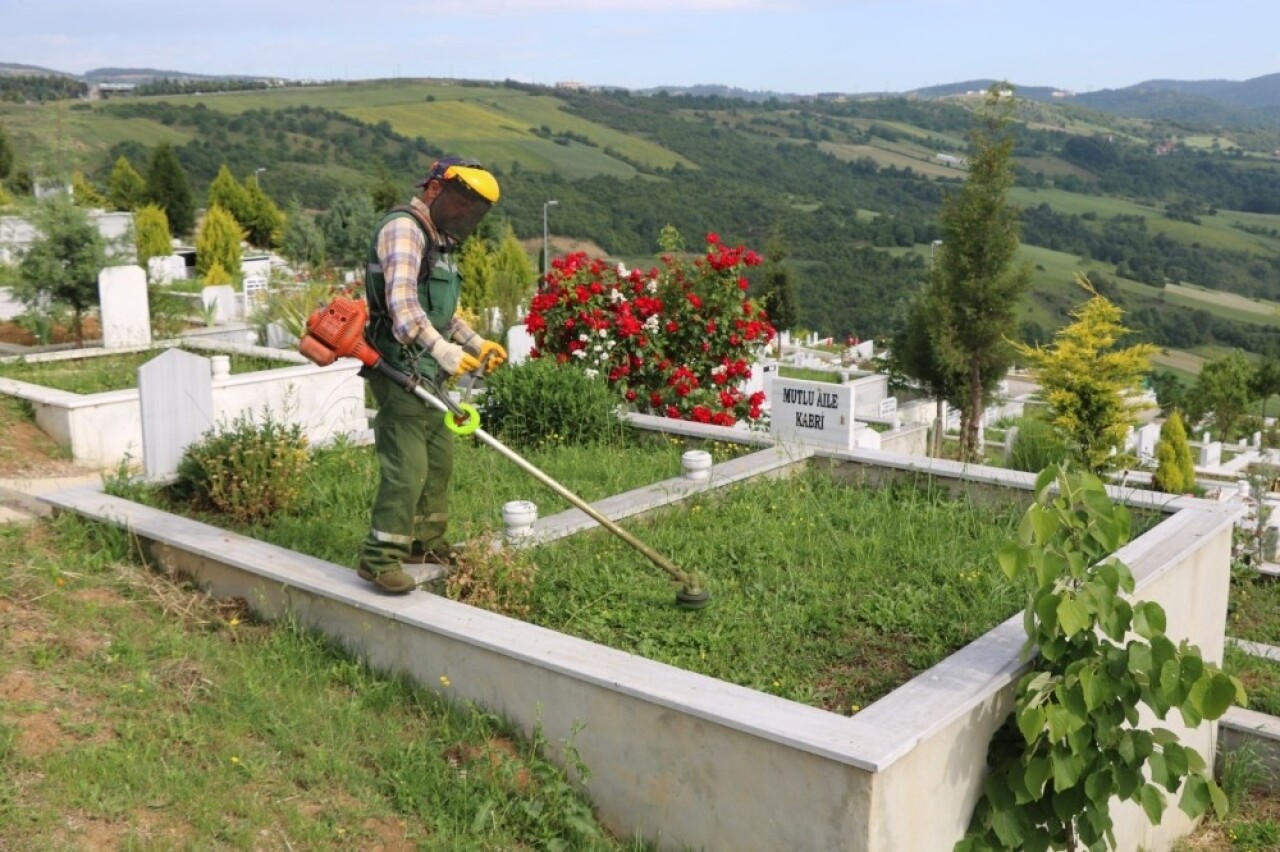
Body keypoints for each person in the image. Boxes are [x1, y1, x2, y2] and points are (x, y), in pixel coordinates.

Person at [357, 156, 506, 594]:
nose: (465, 216)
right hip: (397, 366)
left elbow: (442, 313)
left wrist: (477, 344)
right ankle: (379, 558)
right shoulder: (404, 228)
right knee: (408, 467)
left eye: (473, 211)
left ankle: (424, 544)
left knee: (438, 460)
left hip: (428, 373)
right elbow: (403, 308)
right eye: (462, 204)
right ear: (436, 190)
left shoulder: (439, 243)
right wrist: (443, 351)